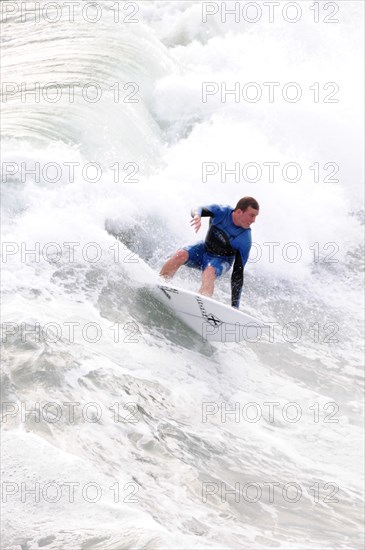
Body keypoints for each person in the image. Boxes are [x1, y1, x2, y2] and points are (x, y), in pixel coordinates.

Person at [159, 196, 259, 309]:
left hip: (221, 261)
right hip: (204, 249)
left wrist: (235, 307)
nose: (254, 220)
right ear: (239, 211)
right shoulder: (222, 212)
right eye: (252, 215)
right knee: (180, 255)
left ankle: (201, 308)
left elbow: (238, 275)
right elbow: (197, 208)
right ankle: (161, 285)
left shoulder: (244, 239)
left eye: (255, 216)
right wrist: (197, 216)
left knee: (209, 271)